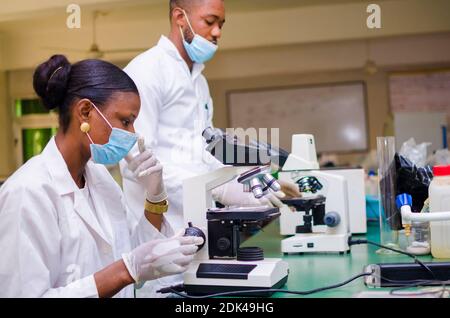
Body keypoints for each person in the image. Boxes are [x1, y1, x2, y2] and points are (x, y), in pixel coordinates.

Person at [119, 0, 300, 296]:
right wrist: (211, 189)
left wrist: (249, 183)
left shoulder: (199, 82)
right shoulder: (146, 71)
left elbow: (206, 154)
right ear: (180, 17)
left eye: (222, 25)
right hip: (161, 238)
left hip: (201, 236)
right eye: (210, 21)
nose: (217, 32)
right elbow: (135, 161)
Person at [0, 55, 202, 298]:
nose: (133, 133)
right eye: (126, 121)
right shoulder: (28, 192)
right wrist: (125, 271)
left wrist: (155, 196)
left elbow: (135, 252)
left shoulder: (100, 178)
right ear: (85, 111)